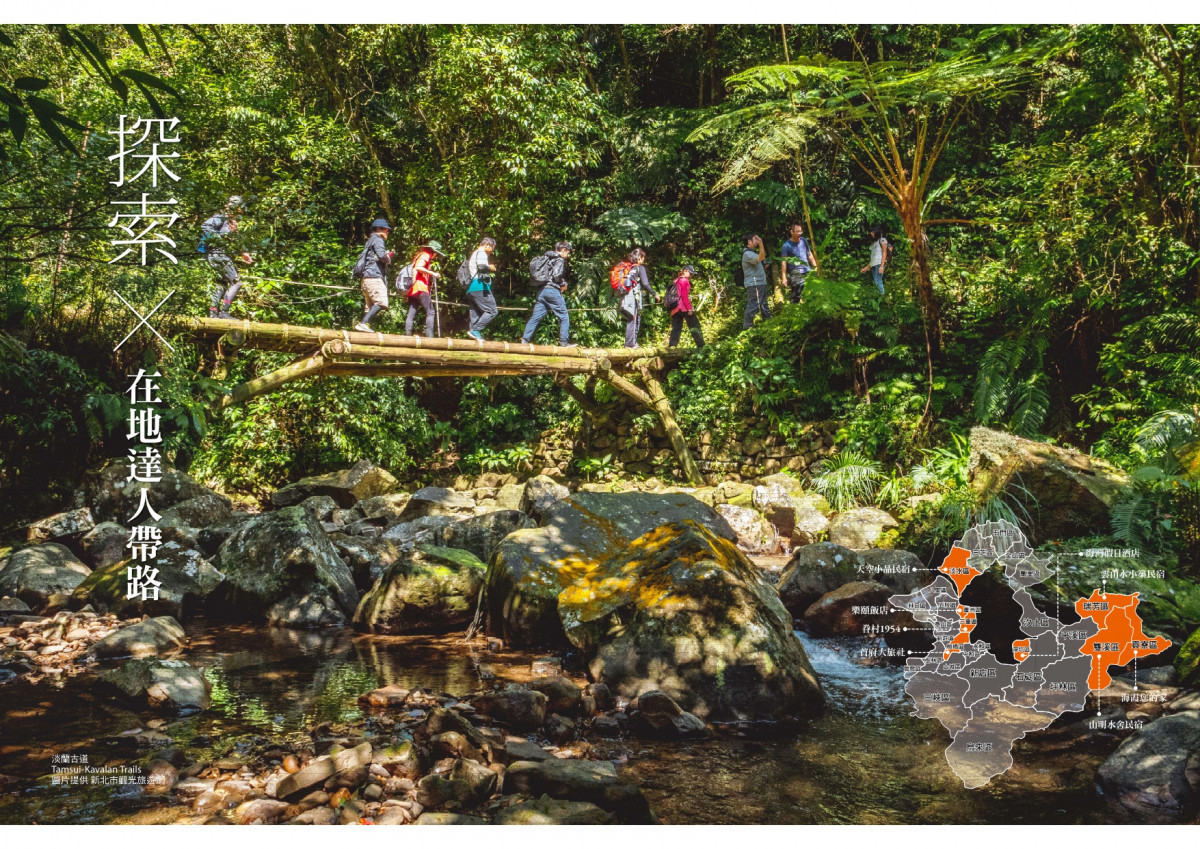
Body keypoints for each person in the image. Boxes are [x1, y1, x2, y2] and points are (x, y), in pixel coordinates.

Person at [199, 195, 253, 318]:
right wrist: (221, 239)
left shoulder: (231, 221)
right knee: (236, 282)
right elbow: (205, 226)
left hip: (218, 254)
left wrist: (243, 253)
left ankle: (213, 313)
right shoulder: (221, 217)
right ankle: (224, 313)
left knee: (221, 283)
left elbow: (234, 240)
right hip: (218, 254)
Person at [520, 241, 576, 348]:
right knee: (564, 316)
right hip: (552, 291)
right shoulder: (559, 259)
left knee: (536, 317)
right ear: (564, 250)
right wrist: (563, 284)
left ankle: (524, 340)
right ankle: (564, 342)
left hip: (542, 292)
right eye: (568, 252)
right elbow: (556, 275)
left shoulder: (548, 258)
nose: (567, 255)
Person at [353, 218, 394, 332]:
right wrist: (388, 258)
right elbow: (382, 256)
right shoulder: (378, 239)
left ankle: (364, 329)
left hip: (366, 279)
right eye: (386, 230)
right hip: (373, 277)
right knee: (382, 302)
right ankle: (363, 324)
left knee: (370, 307)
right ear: (379, 229)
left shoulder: (370, 240)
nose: (387, 232)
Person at [616, 247, 661, 348]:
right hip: (632, 296)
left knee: (631, 318)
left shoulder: (629, 268)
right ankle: (630, 344)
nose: (643, 260)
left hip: (624, 296)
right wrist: (654, 294)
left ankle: (631, 343)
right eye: (642, 257)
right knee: (633, 318)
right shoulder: (640, 268)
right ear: (639, 258)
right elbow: (645, 283)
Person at [404, 240, 444, 337]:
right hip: (420, 287)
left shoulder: (419, 255)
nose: (436, 257)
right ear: (433, 252)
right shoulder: (426, 255)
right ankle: (430, 337)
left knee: (412, 312)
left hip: (413, 288)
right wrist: (432, 273)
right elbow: (418, 267)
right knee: (430, 311)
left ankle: (407, 334)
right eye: (437, 254)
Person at [466, 237, 499, 341]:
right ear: (487, 245)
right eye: (492, 248)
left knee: (475, 314)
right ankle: (475, 330)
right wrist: (491, 267)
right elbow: (481, 267)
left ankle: (473, 335)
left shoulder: (475, 253)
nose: (492, 251)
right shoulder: (481, 253)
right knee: (492, 310)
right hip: (480, 286)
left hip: (472, 288)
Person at [667, 264, 705, 348]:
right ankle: (701, 346)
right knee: (695, 325)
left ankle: (672, 346)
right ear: (685, 271)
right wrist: (689, 308)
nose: (691, 275)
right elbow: (684, 296)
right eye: (690, 273)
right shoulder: (684, 281)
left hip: (675, 308)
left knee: (676, 328)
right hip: (683, 307)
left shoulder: (676, 280)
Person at [781, 222, 818, 303]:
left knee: (812, 293)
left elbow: (809, 254)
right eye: (797, 231)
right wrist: (784, 277)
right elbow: (784, 262)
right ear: (791, 232)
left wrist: (815, 267)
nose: (799, 233)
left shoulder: (804, 241)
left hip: (807, 270)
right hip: (795, 273)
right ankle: (793, 311)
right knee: (796, 294)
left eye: (801, 231)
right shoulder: (786, 246)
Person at [742, 233, 771, 328]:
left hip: (759, 283)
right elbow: (761, 257)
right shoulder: (747, 254)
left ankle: (769, 322)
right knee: (754, 305)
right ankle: (747, 327)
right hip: (754, 284)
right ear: (749, 242)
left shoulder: (752, 253)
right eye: (755, 239)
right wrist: (761, 243)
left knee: (763, 304)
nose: (757, 240)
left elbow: (760, 259)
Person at [861, 225, 889, 295]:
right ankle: (879, 297)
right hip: (874, 265)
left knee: (877, 281)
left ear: (877, 232)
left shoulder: (882, 240)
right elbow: (873, 258)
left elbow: (884, 252)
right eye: (871, 232)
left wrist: (882, 266)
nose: (871, 233)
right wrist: (866, 268)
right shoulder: (874, 243)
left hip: (879, 264)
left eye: (873, 232)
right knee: (876, 281)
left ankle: (882, 298)